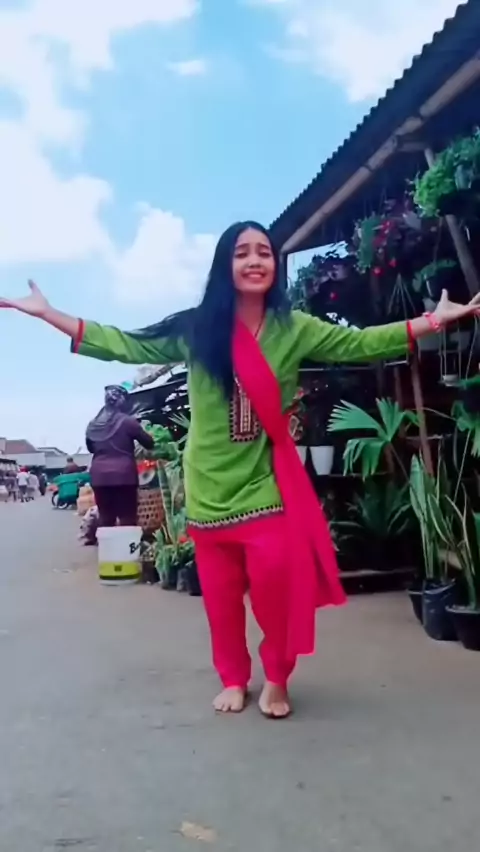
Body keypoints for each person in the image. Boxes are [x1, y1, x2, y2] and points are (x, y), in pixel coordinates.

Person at [2, 221, 480, 719]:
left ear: (274, 265)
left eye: (264, 253)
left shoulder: (294, 329)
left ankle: (277, 677)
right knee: (221, 600)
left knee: (275, 592)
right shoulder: (196, 329)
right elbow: (124, 343)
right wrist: (49, 314)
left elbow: (360, 343)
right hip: (207, 488)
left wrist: (434, 321)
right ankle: (233, 677)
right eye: (242, 253)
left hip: (264, 486)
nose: (255, 261)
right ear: (224, 266)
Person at [84, 385, 154, 527]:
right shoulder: (128, 421)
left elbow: (91, 449)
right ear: (121, 401)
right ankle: (126, 541)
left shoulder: (92, 424)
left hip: (100, 478)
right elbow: (148, 443)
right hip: (124, 477)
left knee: (105, 517)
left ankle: (107, 541)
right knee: (127, 517)